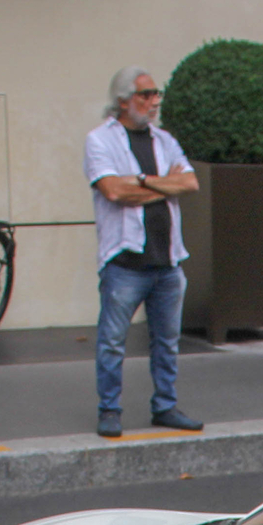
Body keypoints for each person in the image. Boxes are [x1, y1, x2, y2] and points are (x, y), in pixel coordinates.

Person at [85, 66, 201, 437]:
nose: (154, 102)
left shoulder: (163, 140)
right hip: (125, 262)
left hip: (167, 260)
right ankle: (109, 410)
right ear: (122, 101)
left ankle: (165, 406)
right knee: (112, 342)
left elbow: (190, 182)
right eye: (145, 95)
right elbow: (113, 192)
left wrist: (141, 181)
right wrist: (163, 185)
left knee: (167, 341)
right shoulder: (100, 140)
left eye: (156, 94)